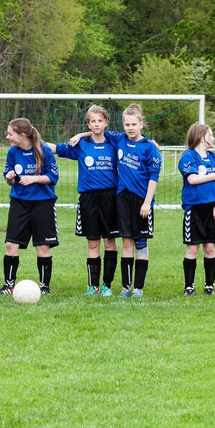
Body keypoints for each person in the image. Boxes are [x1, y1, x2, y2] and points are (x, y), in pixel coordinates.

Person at [71, 103, 161, 298]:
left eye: (133, 124)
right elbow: (97, 130)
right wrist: (80, 135)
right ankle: (126, 287)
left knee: (141, 244)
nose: (130, 128)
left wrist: (147, 202)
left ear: (141, 125)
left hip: (142, 201)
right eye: (127, 124)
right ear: (123, 125)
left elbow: (154, 177)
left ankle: (138, 288)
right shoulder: (119, 139)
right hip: (122, 199)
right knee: (126, 243)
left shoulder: (149, 148)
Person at [55, 105, 120, 296]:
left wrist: (82, 133)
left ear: (106, 122)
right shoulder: (81, 145)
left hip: (110, 198)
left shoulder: (114, 142)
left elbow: (133, 136)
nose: (97, 124)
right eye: (93, 121)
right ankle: (92, 286)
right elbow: (56, 149)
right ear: (88, 123)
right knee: (92, 243)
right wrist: (32, 140)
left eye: (100, 120)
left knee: (109, 242)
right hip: (88, 199)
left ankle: (107, 285)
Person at [0, 118, 59, 296]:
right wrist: (10, 177)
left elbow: (53, 176)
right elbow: (9, 179)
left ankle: (44, 287)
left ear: (22, 135)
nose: (7, 137)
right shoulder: (12, 152)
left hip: (42, 203)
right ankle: (9, 286)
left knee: (43, 246)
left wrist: (34, 179)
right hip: (19, 203)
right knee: (10, 245)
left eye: (10, 133)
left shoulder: (44, 151)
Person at [179, 123, 215, 296]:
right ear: (200, 137)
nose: (213, 138)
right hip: (194, 209)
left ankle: (209, 285)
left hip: (213, 208)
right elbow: (192, 179)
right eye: (211, 135)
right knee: (192, 248)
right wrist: (213, 176)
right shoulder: (188, 156)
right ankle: (189, 286)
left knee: (210, 248)